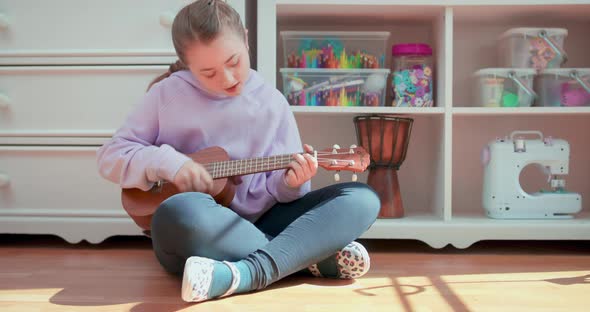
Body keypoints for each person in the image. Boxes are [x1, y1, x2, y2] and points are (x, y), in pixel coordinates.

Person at [96, 0, 380, 303]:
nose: (228, 79)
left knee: (361, 199)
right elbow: (111, 157)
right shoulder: (166, 95)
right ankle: (300, 255)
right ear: (188, 66)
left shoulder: (272, 102)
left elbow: (281, 194)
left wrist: (290, 183)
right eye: (208, 72)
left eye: (234, 62)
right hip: (202, 231)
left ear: (245, 39)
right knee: (178, 211)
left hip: (262, 222)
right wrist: (168, 162)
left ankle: (245, 274)